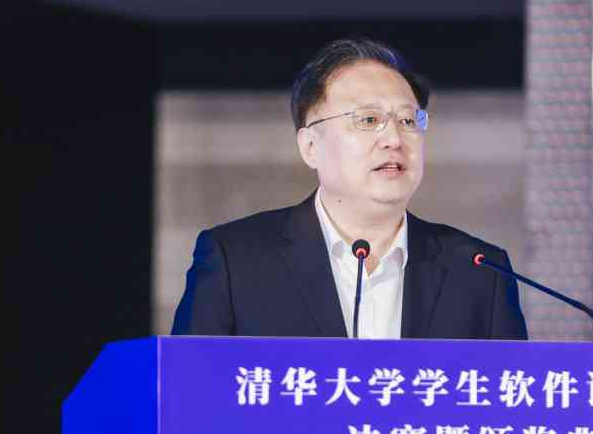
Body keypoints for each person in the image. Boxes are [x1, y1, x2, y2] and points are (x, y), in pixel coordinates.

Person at [171, 38, 527, 340]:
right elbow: (184, 391)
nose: (394, 138)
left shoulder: (481, 271)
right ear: (310, 146)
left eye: (408, 120)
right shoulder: (236, 261)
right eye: (369, 120)